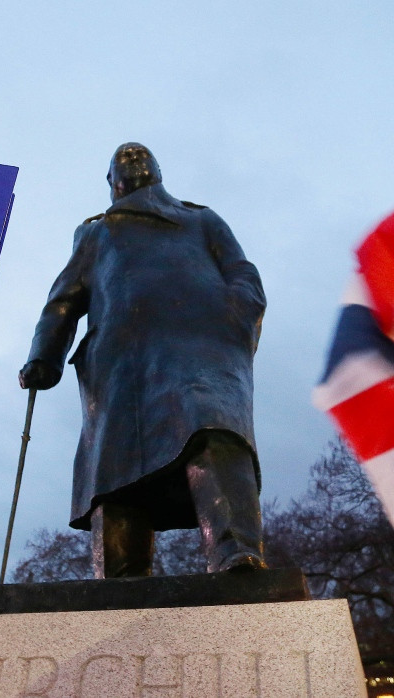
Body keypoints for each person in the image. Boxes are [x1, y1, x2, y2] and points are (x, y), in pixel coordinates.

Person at [19, 143, 267, 578]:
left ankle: (235, 552)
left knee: (213, 428)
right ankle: (118, 580)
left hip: (201, 344)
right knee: (116, 469)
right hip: (121, 364)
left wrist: (236, 313)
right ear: (112, 182)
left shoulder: (201, 219)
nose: (131, 160)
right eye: (122, 161)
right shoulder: (97, 233)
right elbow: (63, 300)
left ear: (158, 170)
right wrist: (45, 355)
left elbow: (242, 271)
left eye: (140, 157)